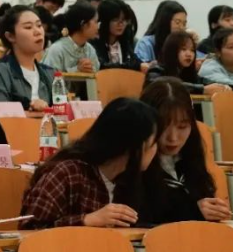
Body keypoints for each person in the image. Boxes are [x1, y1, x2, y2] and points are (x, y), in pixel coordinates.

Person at [19, 98, 158, 229]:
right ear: (136, 147)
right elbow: (30, 229)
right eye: (153, 142)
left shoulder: (132, 179)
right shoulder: (67, 172)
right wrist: (86, 220)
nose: (156, 149)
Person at [139, 78, 230, 224]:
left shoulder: (191, 156)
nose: (173, 138)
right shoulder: (134, 162)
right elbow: (140, 214)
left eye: (182, 127)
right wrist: (194, 211)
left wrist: (213, 210)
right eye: (164, 127)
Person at [0, 6, 56, 111]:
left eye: (39, 25)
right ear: (10, 36)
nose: (38, 32)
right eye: (28, 27)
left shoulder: (50, 73)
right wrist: (30, 107)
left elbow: (63, 111)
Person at [146, 31, 230, 96]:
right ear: (172, 50)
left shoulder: (188, 73)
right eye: (184, 49)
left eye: (192, 50)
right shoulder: (156, 69)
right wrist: (203, 89)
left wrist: (225, 87)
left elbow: (205, 82)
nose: (189, 54)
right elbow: (167, 86)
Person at [42, 2, 100, 74]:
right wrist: (77, 70)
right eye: (95, 22)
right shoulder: (56, 50)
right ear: (83, 24)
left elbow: (97, 74)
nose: (98, 27)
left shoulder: (90, 49)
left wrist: (91, 69)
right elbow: (48, 77)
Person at [90, 0, 147, 72]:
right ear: (104, 21)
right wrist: (136, 66)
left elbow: (135, 61)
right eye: (115, 20)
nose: (121, 24)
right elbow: (101, 65)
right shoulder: (94, 42)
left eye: (124, 20)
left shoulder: (124, 41)